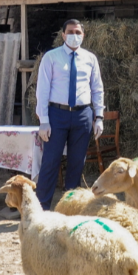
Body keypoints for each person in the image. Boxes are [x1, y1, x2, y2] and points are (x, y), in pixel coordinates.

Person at [35, 19, 104, 210]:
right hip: (57, 114)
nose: (75, 35)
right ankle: (41, 208)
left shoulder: (90, 59)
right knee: (50, 161)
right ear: (63, 35)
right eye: (71, 32)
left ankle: (70, 208)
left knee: (76, 163)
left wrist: (99, 116)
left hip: (83, 115)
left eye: (78, 32)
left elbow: (97, 88)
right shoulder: (51, 57)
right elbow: (42, 90)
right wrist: (44, 121)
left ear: (83, 35)